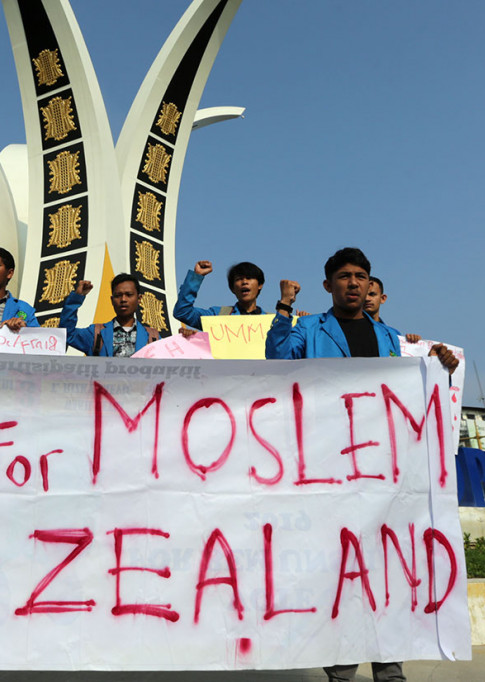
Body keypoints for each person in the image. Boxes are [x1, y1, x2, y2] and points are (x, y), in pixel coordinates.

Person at [265, 247, 457, 682]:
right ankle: (342, 672)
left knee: (387, 570)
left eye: (362, 276)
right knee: (344, 574)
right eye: (345, 276)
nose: (354, 283)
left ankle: (390, 670)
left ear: (372, 285)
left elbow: (416, 393)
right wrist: (283, 309)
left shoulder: (390, 338)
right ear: (328, 284)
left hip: (384, 473)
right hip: (330, 467)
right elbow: (276, 361)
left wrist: (440, 362)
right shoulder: (307, 328)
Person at [59, 274, 158, 356]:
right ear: (112, 300)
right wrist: (76, 298)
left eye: (129, 294)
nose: (123, 299)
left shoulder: (153, 338)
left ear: (139, 298)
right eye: (118, 295)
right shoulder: (96, 334)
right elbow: (66, 334)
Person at [173, 260, 265, 330]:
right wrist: (196, 277)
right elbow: (182, 312)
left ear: (260, 285)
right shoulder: (218, 315)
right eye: (239, 279)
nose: (244, 282)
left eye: (249, 278)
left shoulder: (272, 322)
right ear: (232, 288)